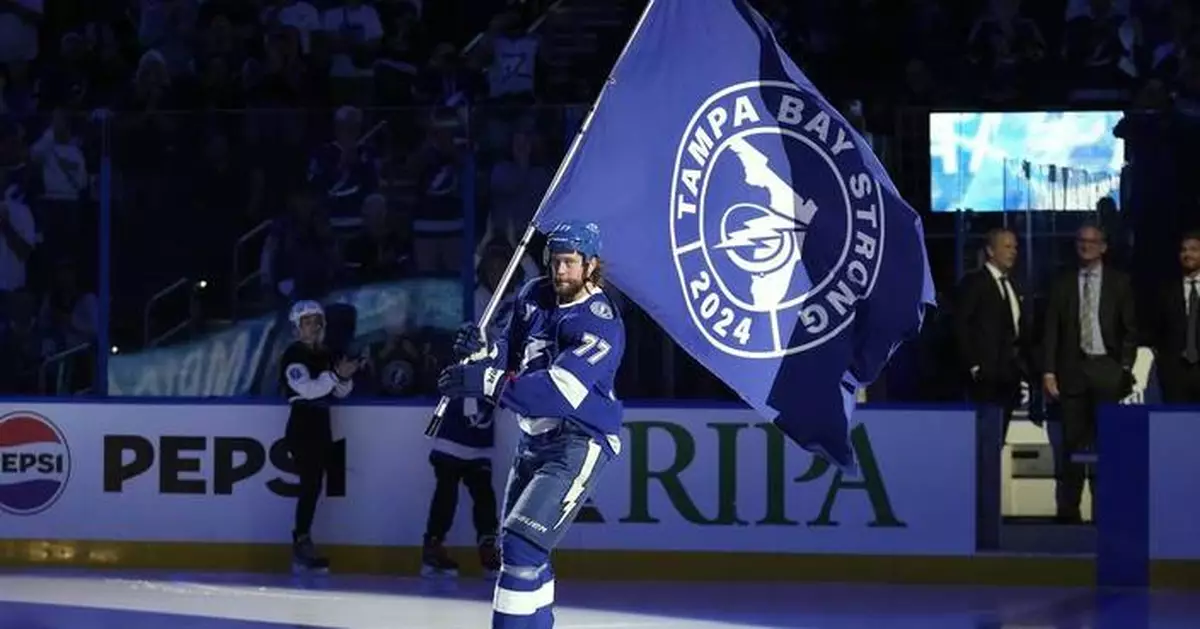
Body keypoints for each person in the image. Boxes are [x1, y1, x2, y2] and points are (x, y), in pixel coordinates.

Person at [437, 221, 625, 629]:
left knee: (523, 546)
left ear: (591, 265)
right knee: (521, 552)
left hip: (579, 441)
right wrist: (483, 351)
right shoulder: (532, 294)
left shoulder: (600, 322)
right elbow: (509, 352)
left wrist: (485, 381)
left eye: (570, 263)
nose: (560, 271)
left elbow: (557, 393)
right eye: (555, 261)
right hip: (533, 438)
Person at [1042, 224, 1136, 523]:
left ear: (1104, 247)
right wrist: (1048, 371)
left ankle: (1105, 509)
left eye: (1092, 242)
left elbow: (1130, 329)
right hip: (1072, 372)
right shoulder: (1062, 283)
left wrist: (1123, 367)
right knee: (1071, 443)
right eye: (1081, 241)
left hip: (1106, 370)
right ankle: (1069, 510)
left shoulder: (1120, 283)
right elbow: (1051, 332)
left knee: (1107, 443)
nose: (1086, 246)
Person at [279, 300, 361, 572]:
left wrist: (345, 377)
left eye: (317, 321)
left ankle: (303, 541)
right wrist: (336, 375)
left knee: (314, 485)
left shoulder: (325, 354)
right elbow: (309, 390)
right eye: (307, 322)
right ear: (296, 328)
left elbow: (338, 392)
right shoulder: (293, 355)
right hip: (302, 426)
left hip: (322, 426)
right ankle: (301, 542)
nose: (313, 326)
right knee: (310, 485)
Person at [421, 395, 502, 579]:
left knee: (484, 496)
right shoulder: (457, 370)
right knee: (446, 494)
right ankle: (433, 547)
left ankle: (487, 548)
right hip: (450, 439)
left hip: (479, 445)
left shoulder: (498, 368)